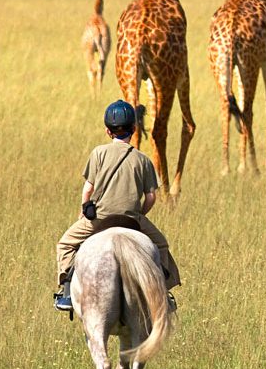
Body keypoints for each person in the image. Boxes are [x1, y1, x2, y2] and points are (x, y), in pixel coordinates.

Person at [54, 101, 181, 312]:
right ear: (134, 129)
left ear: (107, 131)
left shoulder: (98, 153)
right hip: (132, 219)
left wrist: (85, 209)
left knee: (65, 245)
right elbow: (151, 197)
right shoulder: (143, 159)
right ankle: (163, 295)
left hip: (99, 219)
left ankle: (66, 293)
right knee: (161, 246)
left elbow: (87, 190)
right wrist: (139, 214)